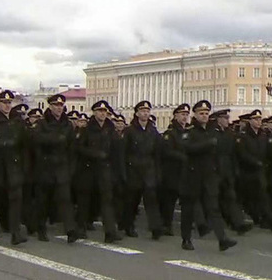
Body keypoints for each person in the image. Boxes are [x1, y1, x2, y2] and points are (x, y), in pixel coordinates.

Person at [178, 100, 237, 252]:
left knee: (213, 208)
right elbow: (188, 148)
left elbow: (219, 152)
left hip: (209, 175)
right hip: (192, 176)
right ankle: (186, 239)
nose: (204, 116)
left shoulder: (213, 131)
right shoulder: (189, 131)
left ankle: (222, 239)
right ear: (195, 115)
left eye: (206, 113)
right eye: (201, 113)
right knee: (189, 210)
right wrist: (208, 144)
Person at [31, 94, 79, 243]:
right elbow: (36, 142)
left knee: (65, 199)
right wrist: (54, 140)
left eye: (61, 106)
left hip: (62, 167)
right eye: (56, 105)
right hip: (45, 167)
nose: (59, 108)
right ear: (50, 107)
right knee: (43, 200)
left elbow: (72, 148)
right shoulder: (42, 123)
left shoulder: (68, 125)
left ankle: (71, 230)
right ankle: (40, 228)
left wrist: (71, 168)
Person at [0, 90, 28, 245]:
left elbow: (24, 143)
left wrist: (24, 164)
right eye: (4, 102)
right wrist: (2, 144)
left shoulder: (17, 121)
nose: (7, 105)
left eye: (9, 103)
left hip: (13, 166)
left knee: (16, 200)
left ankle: (15, 233)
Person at [75, 100, 121, 244]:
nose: (102, 114)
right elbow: (79, 149)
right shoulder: (86, 129)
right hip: (88, 170)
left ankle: (110, 232)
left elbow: (116, 150)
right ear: (94, 112)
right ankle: (80, 227)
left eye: (105, 111)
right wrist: (94, 154)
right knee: (85, 201)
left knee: (107, 201)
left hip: (105, 170)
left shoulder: (110, 129)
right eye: (100, 111)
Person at [235, 109, 272, 231]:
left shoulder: (263, 135)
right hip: (246, 171)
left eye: (259, 119)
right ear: (250, 121)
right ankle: (241, 220)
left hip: (259, 170)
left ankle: (268, 219)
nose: (258, 122)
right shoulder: (243, 135)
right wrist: (255, 162)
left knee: (262, 195)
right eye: (256, 119)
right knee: (245, 197)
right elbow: (242, 154)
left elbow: (267, 152)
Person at [122, 100, 163, 239]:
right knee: (132, 201)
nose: (145, 113)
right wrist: (125, 171)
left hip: (149, 169)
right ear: (137, 113)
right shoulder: (129, 130)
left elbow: (157, 153)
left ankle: (155, 228)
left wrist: (157, 172)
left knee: (151, 199)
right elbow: (124, 152)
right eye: (142, 111)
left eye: (147, 111)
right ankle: (129, 225)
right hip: (133, 170)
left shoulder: (153, 131)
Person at [210, 109, 252, 234]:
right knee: (214, 199)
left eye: (228, 118)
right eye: (225, 118)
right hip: (215, 170)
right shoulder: (212, 133)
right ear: (218, 120)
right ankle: (211, 222)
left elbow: (233, 153)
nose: (227, 120)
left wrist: (235, 169)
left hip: (227, 170)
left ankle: (238, 223)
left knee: (231, 197)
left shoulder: (230, 133)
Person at [158, 103, 190, 236]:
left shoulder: (189, 132)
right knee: (169, 200)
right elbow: (167, 151)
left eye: (186, 114)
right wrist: (183, 156)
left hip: (186, 171)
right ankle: (166, 224)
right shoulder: (170, 133)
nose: (185, 117)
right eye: (182, 114)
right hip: (172, 171)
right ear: (176, 115)